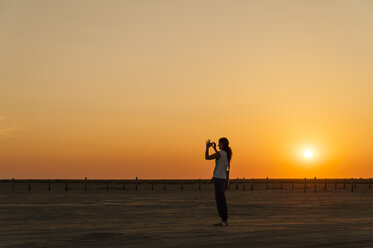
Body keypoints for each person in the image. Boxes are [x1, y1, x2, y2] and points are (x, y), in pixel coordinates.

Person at [205, 137, 232, 226]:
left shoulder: (220, 154)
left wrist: (207, 147)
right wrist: (214, 148)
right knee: (222, 200)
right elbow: (224, 167)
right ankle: (224, 219)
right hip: (223, 179)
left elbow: (207, 157)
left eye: (219, 143)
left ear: (223, 144)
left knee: (220, 201)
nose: (218, 144)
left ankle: (224, 220)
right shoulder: (227, 154)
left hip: (219, 179)